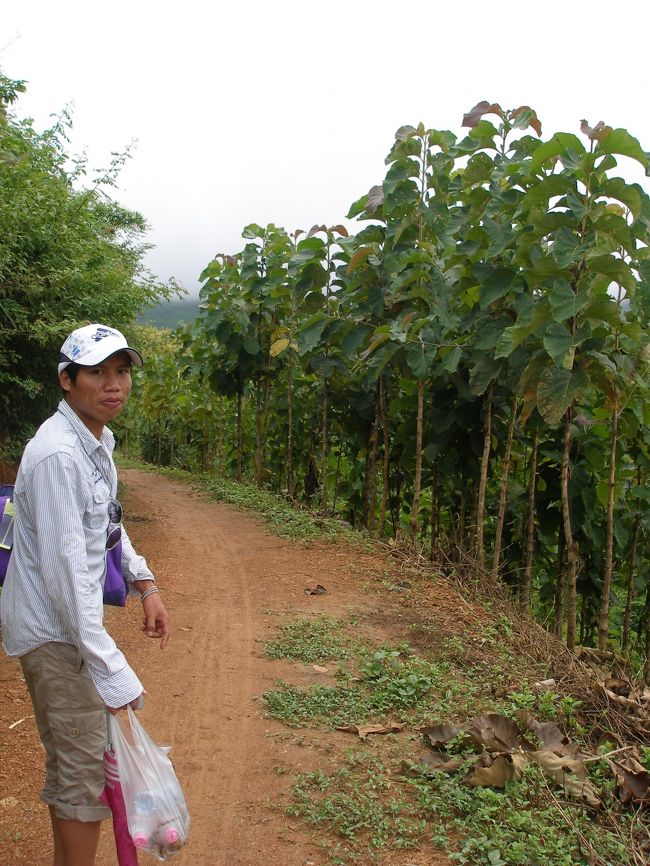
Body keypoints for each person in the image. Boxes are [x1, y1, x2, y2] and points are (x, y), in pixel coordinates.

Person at [1, 323, 170, 866]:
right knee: (84, 773)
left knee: (79, 764)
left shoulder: (96, 441)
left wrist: (145, 582)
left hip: (71, 628)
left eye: (121, 371)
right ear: (67, 380)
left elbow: (107, 526)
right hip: (54, 633)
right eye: (97, 372)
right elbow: (65, 573)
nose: (113, 384)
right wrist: (109, 665)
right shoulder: (57, 456)